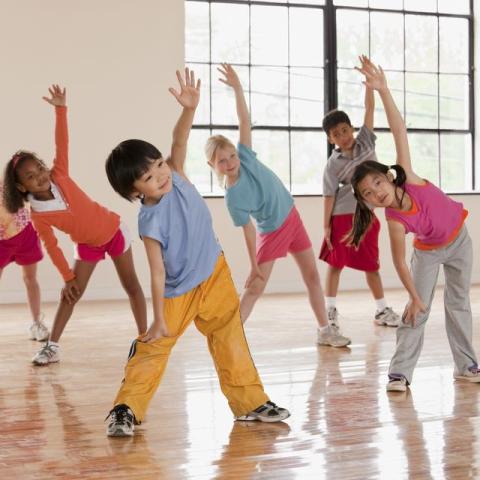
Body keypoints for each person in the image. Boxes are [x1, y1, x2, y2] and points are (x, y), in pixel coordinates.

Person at [104, 68, 290, 437]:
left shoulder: (177, 173)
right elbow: (156, 272)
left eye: (158, 164)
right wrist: (158, 318)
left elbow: (179, 138)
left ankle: (249, 402)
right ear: (135, 191)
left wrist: (189, 109)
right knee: (154, 347)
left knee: (229, 336)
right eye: (148, 176)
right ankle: (125, 409)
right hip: (178, 291)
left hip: (214, 272)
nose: (160, 174)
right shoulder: (149, 222)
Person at [349, 57, 480, 392]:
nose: (376, 193)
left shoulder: (410, 177)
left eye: (377, 183)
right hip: (428, 252)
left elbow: (398, 129)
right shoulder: (393, 220)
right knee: (416, 310)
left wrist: (383, 90)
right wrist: (413, 295)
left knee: (458, 303)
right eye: (368, 193)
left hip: (459, 241)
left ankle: (466, 365)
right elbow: (396, 262)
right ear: (366, 201)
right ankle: (400, 373)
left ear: (389, 178)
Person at [205, 63, 350, 348]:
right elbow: (248, 231)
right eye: (222, 161)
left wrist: (236, 88)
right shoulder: (232, 197)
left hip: (291, 217)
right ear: (213, 166)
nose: (230, 163)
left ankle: (325, 330)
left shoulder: (245, 157)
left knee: (311, 275)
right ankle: (228, 333)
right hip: (272, 230)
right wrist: (253, 265)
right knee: (257, 284)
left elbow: (243, 120)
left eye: (231, 156)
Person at [2, 85, 147, 365]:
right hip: (88, 245)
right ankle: (52, 346)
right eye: (31, 177)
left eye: (40, 169)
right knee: (70, 294)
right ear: (22, 186)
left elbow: (62, 142)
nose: (40, 177)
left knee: (131, 286)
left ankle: (144, 339)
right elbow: (52, 246)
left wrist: (60, 109)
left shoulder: (60, 175)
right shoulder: (38, 215)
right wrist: (68, 277)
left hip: (114, 231)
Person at [320, 55, 400, 330]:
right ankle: (329, 311)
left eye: (345, 130)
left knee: (371, 265)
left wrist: (369, 85)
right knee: (335, 265)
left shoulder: (365, 140)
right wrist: (326, 226)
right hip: (342, 216)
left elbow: (369, 108)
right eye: (336, 134)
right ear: (330, 139)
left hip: (367, 215)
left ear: (351, 129)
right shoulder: (333, 165)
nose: (342, 136)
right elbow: (329, 195)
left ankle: (381, 310)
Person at [0, 183, 48, 341]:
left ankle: (36, 323)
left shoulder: (7, 181)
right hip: (2, 241)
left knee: (30, 278)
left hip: (24, 234)